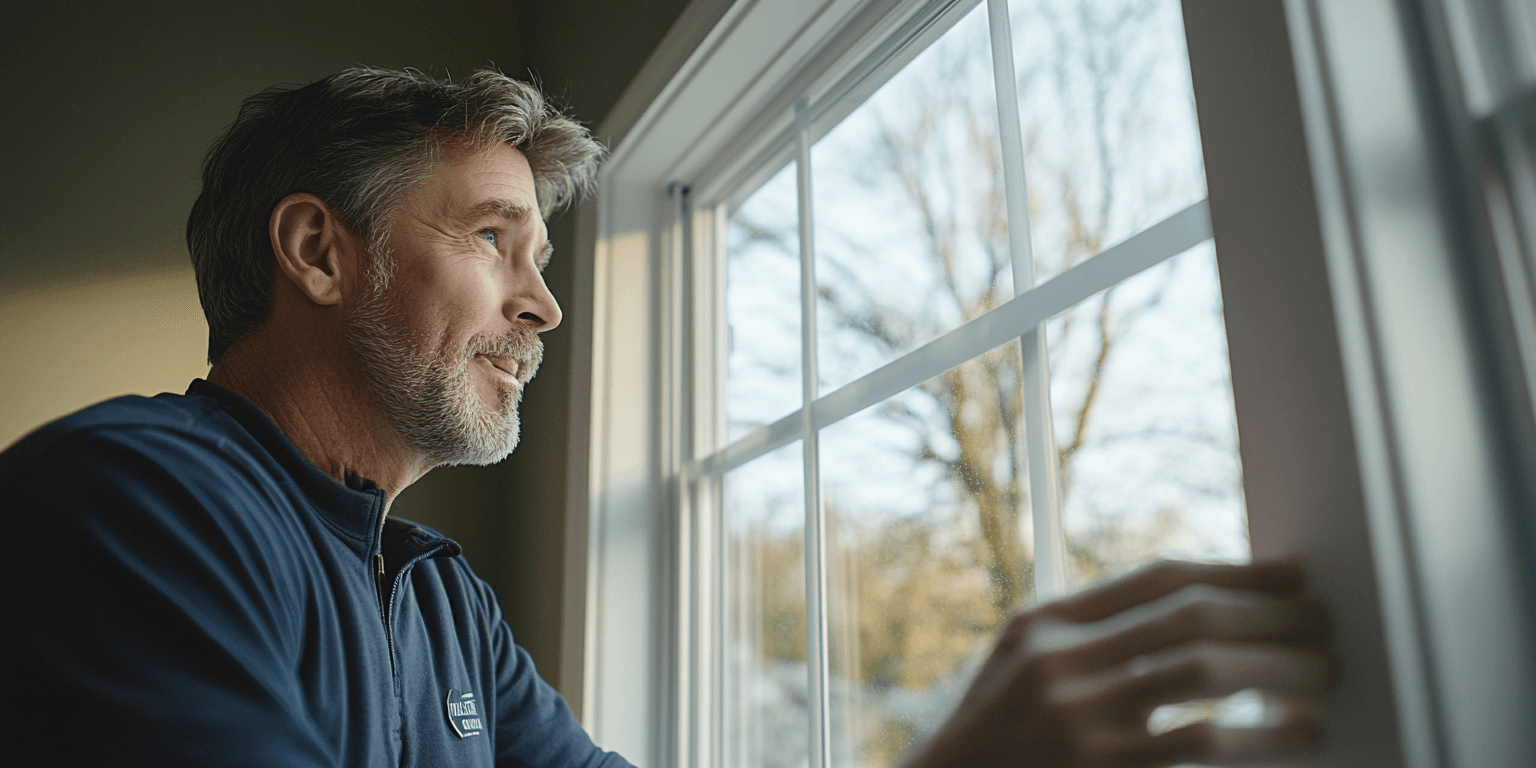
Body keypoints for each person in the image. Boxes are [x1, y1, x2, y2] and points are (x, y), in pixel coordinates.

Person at [2, 67, 1334, 767]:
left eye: (548, 262)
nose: (545, 310)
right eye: (493, 238)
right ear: (317, 251)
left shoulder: (440, 601)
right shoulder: (129, 504)